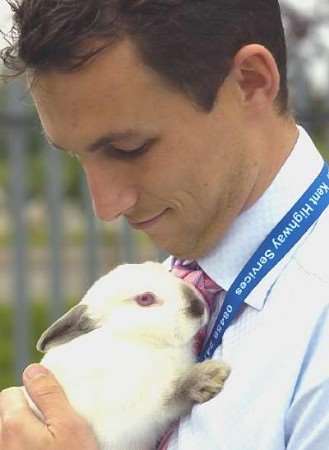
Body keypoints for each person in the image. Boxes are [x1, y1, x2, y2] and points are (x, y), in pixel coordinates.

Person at [0, 0, 328, 449]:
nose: (106, 205)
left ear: (251, 82)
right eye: (78, 156)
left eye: (130, 148)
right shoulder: (170, 281)